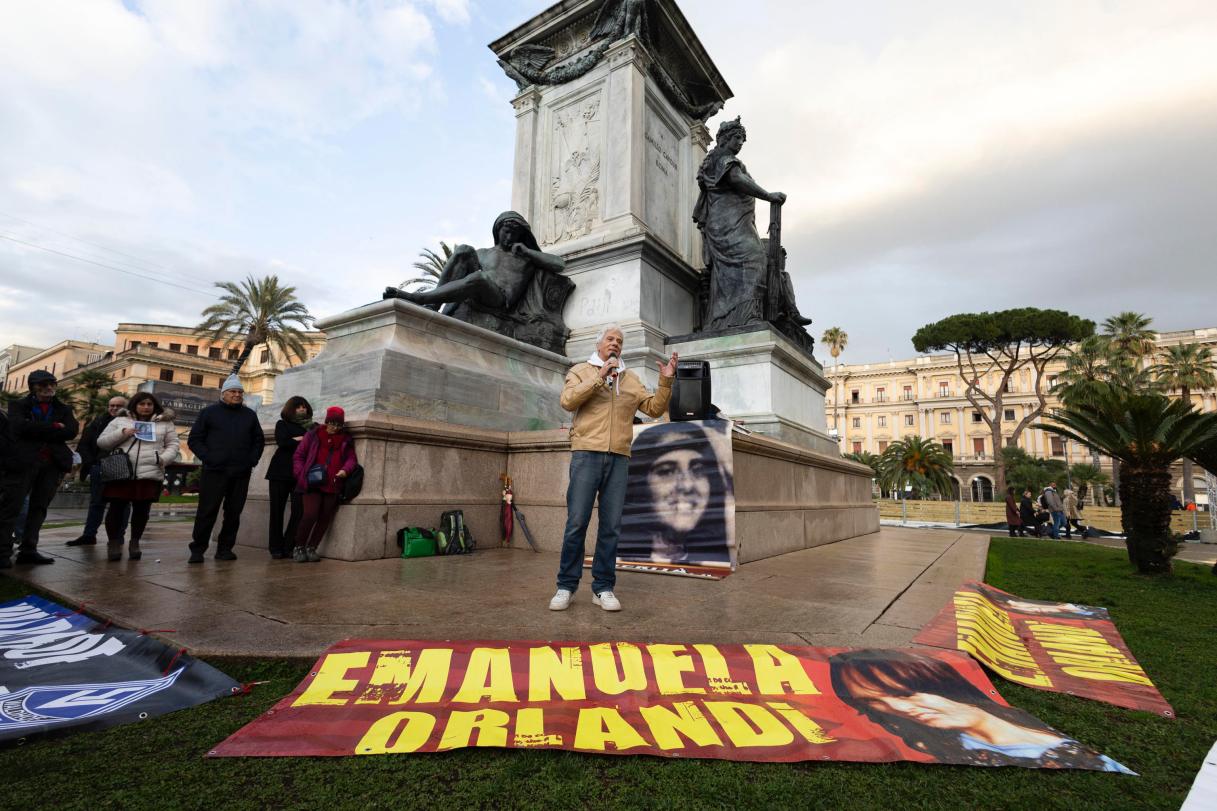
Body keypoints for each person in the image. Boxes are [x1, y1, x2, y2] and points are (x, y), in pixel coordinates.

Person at [829, 649, 1132, 772]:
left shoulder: (1053, 748)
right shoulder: (938, 744)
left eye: (904, 693)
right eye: (874, 704)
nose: (897, 709)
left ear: (937, 682)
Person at [549, 325, 677, 612]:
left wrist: (666, 381)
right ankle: (566, 586)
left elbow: (653, 409)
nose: (615, 343)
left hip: (619, 457)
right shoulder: (582, 370)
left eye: (619, 341)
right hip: (586, 454)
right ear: (599, 345)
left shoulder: (630, 379)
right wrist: (599, 377)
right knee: (576, 524)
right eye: (610, 339)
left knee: (611, 528)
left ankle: (603, 587)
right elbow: (568, 401)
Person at [693, 117, 789, 330]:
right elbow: (737, 179)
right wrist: (768, 195)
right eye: (737, 138)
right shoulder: (721, 158)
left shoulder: (722, 159)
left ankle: (728, 318)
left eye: (742, 140)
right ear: (724, 139)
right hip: (726, 225)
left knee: (734, 271)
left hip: (736, 222)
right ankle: (744, 316)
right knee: (753, 259)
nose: (740, 143)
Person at [618, 421, 734, 565]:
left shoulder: (718, 562)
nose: (687, 485)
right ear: (639, 486)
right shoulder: (617, 560)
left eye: (698, 470)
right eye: (667, 471)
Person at [186, 375, 265, 564]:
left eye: (240, 392)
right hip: (214, 471)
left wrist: (251, 460)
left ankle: (225, 549)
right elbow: (195, 439)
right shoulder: (209, 413)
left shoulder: (249, 415)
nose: (237, 395)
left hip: (240, 472)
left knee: (233, 513)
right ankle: (197, 550)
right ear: (224, 394)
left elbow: (258, 441)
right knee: (207, 511)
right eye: (233, 392)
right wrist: (209, 457)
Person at [4, 370, 79, 565]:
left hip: (52, 464)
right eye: (43, 385)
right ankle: (2, 552)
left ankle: (29, 549)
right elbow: (18, 427)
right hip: (23, 462)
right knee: (12, 506)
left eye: (52, 384)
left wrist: (36, 428)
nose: (48, 388)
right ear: (33, 387)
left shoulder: (64, 408)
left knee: (39, 508)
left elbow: (71, 431)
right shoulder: (18, 405)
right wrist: (54, 428)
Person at [95, 393, 179, 561]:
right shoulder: (120, 420)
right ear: (134, 405)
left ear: (155, 406)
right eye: (142, 404)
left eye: (149, 404)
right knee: (116, 509)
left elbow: (173, 444)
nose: (146, 407)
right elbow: (102, 442)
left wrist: (162, 459)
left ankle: (135, 542)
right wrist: (124, 432)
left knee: (142, 511)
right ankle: (113, 543)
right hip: (122, 471)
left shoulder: (165, 423)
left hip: (149, 471)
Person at [290, 406, 357, 563]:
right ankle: (299, 546)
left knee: (325, 517)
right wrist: (301, 474)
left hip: (333, 483)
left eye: (339, 425)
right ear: (326, 422)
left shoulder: (345, 440)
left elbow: (351, 459)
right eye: (332, 424)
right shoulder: (313, 435)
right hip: (311, 482)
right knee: (310, 514)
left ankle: (312, 547)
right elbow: (299, 455)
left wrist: (345, 470)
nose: (335, 428)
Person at [68, 395, 131, 548]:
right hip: (99, 465)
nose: (114, 408)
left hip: (121, 465)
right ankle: (89, 534)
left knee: (122, 504)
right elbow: (85, 443)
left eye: (118, 406)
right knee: (96, 503)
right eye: (111, 405)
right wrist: (91, 463)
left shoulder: (130, 422)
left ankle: (118, 536)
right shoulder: (98, 421)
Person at [266, 396, 313, 559]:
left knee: (299, 511)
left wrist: (297, 440)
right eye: (298, 407)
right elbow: (283, 443)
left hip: (300, 475)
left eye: (304, 407)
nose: (301, 409)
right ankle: (275, 547)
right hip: (279, 473)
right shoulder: (282, 424)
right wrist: (301, 440)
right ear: (290, 409)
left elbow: (315, 443)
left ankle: (288, 545)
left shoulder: (312, 427)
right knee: (276, 511)